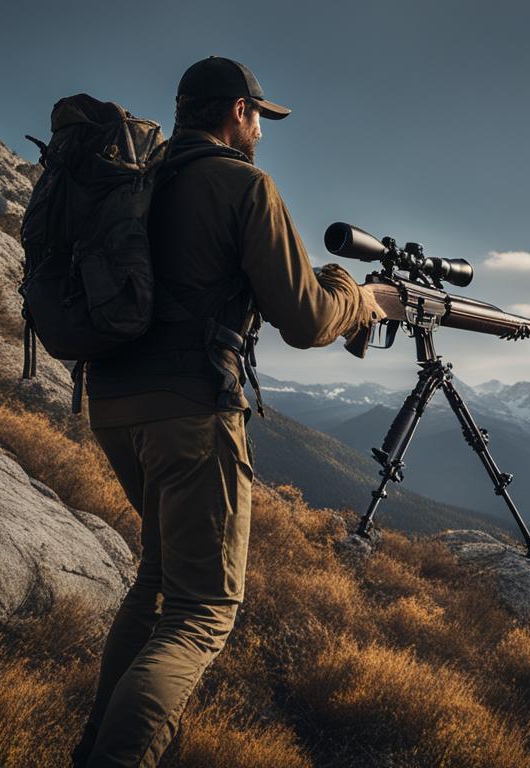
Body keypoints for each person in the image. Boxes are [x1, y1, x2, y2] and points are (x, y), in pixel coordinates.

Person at [70, 56, 383, 767]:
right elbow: (304, 318)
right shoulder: (243, 185)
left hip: (114, 404)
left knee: (158, 579)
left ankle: (95, 745)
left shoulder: (141, 179)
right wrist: (362, 297)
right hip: (189, 413)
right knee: (201, 611)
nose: (262, 135)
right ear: (238, 112)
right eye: (259, 120)